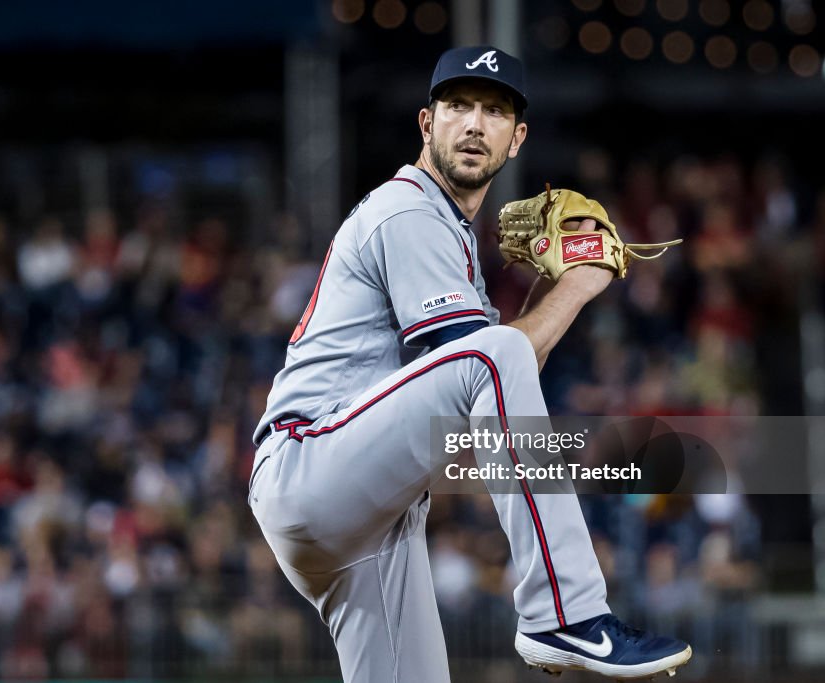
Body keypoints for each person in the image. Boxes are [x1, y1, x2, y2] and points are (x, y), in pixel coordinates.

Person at [247, 46, 692, 682]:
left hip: (369, 515)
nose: (475, 124)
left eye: (494, 110)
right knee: (491, 353)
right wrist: (578, 284)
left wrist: (551, 284)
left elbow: (498, 379)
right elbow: (485, 362)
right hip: (313, 464)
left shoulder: (449, 232)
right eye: (458, 106)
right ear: (427, 124)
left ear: (518, 140)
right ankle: (563, 612)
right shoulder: (408, 211)